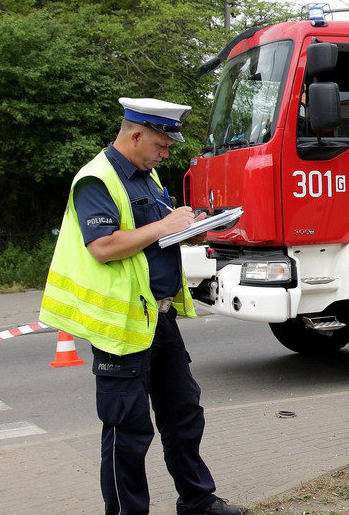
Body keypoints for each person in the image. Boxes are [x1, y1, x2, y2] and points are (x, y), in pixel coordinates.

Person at [39, 97, 247, 515]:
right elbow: (103, 246)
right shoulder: (96, 179)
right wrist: (164, 226)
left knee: (183, 415)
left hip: (160, 318)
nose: (166, 153)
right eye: (161, 145)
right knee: (127, 432)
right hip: (122, 326)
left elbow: (155, 236)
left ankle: (198, 501)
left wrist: (189, 231)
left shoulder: (145, 177)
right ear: (135, 135)